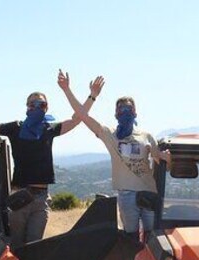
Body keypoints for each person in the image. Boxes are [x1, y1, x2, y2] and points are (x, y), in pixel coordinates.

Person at [0, 84, 95, 247]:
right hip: (20, 196)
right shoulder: (16, 128)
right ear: (27, 107)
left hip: (42, 197)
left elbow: (76, 119)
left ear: (47, 108)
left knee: (34, 247)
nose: (37, 107)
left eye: (41, 105)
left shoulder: (49, 129)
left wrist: (91, 96)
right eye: (33, 104)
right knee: (16, 246)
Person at [57, 70, 170, 242]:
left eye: (129, 108)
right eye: (121, 109)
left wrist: (168, 158)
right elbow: (82, 116)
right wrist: (76, 92)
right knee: (131, 239)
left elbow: (159, 160)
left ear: (135, 112)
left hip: (149, 192)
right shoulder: (110, 135)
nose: (125, 112)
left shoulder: (147, 136)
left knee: (152, 239)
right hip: (127, 195)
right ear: (116, 114)